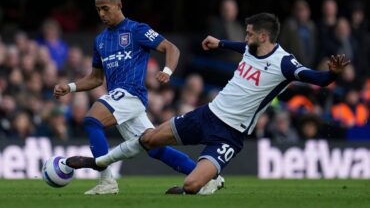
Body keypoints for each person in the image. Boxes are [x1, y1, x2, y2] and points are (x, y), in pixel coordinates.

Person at [65, 13, 349, 194]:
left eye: (249, 34)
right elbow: (242, 49)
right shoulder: (252, 49)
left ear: (263, 37)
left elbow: (316, 78)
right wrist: (221, 43)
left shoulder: (284, 63)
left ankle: (208, 182)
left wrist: (332, 75)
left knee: (191, 186)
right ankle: (99, 163)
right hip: (207, 115)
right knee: (149, 139)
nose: (245, 37)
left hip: (230, 134)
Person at [54, 0, 223, 195]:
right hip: (119, 98)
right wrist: (69, 87)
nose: (102, 13)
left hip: (131, 93)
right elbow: (96, 79)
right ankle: (210, 177)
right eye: (98, 9)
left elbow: (171, 48)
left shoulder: (136, 30)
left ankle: (107, 181)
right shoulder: (100, 40)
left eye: (106, 8)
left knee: (91, 120)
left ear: (119, 5)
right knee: (156, 149)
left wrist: (168, 71)